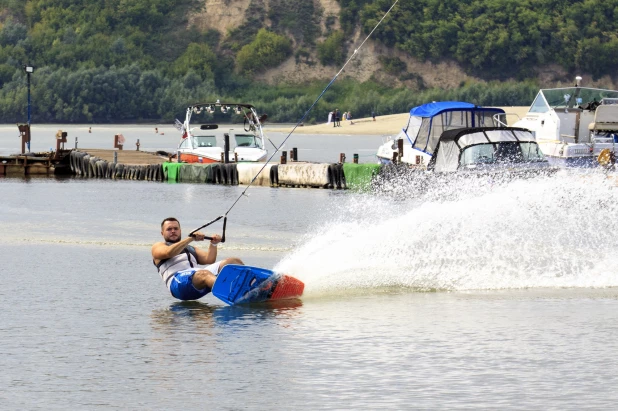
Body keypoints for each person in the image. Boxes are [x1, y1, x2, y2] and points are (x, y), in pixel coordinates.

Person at [152, 217, 244, 301]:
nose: (173, 231)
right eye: (169, 229)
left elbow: (209, 259)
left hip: (197, 280)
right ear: (162, 233)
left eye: (176, 229)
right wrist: (190, 239)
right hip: (178, 284)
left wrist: (214, 244)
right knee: (204, 274)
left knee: (232, 262)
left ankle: (252, 287)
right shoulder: (158, 246)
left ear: (180, 231)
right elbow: (169, 252)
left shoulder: (190, 248)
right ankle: (235, 294)